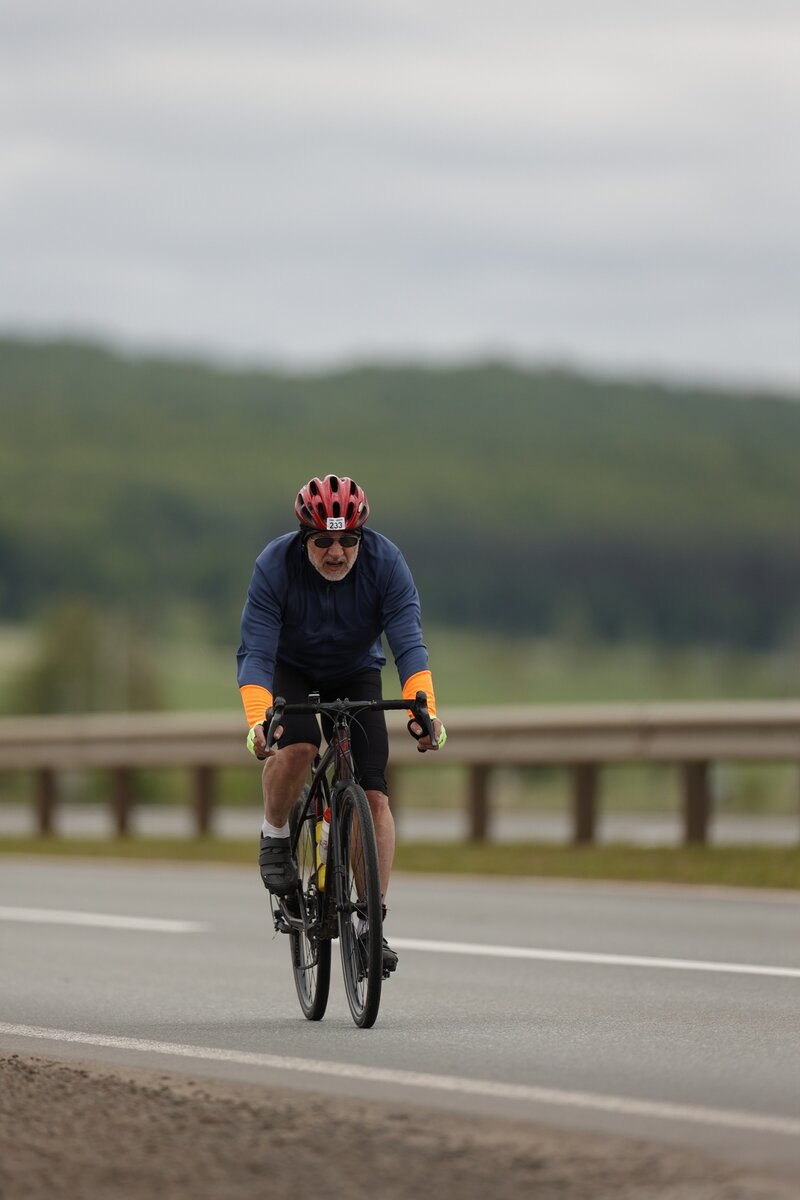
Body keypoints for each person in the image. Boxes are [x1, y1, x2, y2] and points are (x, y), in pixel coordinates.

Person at [237, 473, 445, 974]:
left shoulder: (386, 563)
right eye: (323, 541)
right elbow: (257, 652)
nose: (336, 553)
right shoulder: (274, 566)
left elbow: (409, 643)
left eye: (348, 540)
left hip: (355, 669)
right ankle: (276, 833)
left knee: (374, 796)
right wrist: (258, 719)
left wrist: (425, 712)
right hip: (291, 668)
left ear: (361, 537)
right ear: (304, 538)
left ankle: (372, 923)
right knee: (299, 748)